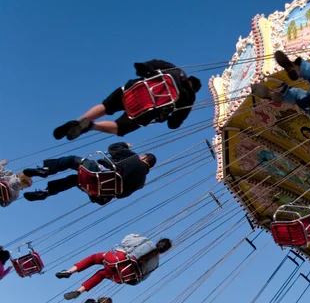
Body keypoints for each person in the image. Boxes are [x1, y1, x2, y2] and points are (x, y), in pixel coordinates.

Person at [53, 60, 202, 141]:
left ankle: (80, 120)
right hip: (143, 112)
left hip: (131, 91)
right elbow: (173, 124)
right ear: (194, 89)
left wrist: (145, 72)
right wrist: (167, 116)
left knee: (106, 106)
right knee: (119, 127)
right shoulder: (188, 98)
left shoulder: (173, 69)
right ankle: (92, 126)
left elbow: (144, 65)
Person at [22, 142, 156, 204]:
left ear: (143, 158)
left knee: (72, 160)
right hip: (99, 194)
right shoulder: (141, 183)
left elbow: (113, 148)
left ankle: (46, 170)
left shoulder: (134, 158)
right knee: (75, 180)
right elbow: (122, 195)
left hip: (96, 174)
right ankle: (45, 192)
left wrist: (125, 146)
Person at [56, 235, 172, 300]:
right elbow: (143, 278)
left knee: (94, 258)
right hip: (122, 275)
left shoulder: (146, 241)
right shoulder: (156, 263)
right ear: (165, 250)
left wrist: (135, 236)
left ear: (159, 242)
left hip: (115, 260)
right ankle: (78, 292)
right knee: (101, 274)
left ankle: (69, 271)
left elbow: (125, 241)